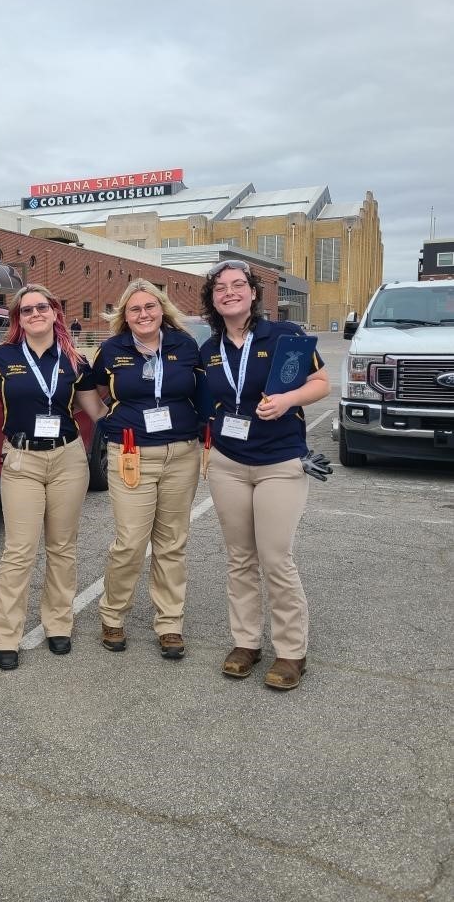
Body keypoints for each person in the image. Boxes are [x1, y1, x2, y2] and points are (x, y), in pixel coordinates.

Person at [199, 259, 330, 691]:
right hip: (228, 464)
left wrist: (288, 398)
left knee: (275, 558)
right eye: (221, 287)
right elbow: (208, 402)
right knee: (239, 558)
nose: (230, 292)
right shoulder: (209, 348)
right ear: (212, 298)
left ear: (254, 293)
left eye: (239, 285)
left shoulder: (284, 337)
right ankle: (245, 642)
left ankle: (292, 652)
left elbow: (321, 383)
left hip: (279, 462)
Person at [0, 284, 105, 671]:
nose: (35, 314)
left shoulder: (74, 360)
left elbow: (97, 411)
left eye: (42, 307)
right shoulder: (1, 358)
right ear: (18, 318)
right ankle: (5, 635)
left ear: (55, 312)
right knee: (19, 551)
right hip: (21, 460)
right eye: (26, 310)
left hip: (67, 458)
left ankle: (58, 624)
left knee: (62, 548)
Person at [91, 279, 203, 660]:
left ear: (162, 310)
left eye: (150, 307)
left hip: (181, 453)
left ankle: (170, 624)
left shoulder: (184, 346)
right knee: (130, 541)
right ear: (125, 315)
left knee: (172, 543)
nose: (143, 315)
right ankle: (113, 614)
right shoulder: (111, 350)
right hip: (132, 453)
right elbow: (89, 389)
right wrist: (105, 421)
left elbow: (202, 392)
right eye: (135, 309)